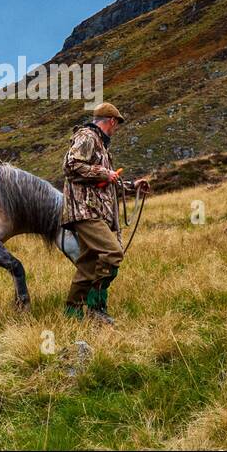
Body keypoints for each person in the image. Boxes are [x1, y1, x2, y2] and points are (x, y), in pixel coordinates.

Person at [60, 102, 150, 324]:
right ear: (111, 121)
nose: (116, 129)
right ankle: (95, 307)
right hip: (85, 210)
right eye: (116, 125)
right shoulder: (88, 137)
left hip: (94, 210)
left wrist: (133, 186)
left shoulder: (101, 145)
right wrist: (103, 172)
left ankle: (72, 313)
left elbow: (108, 182)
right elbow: (70, 166)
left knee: (89, 265)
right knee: (112, 253)